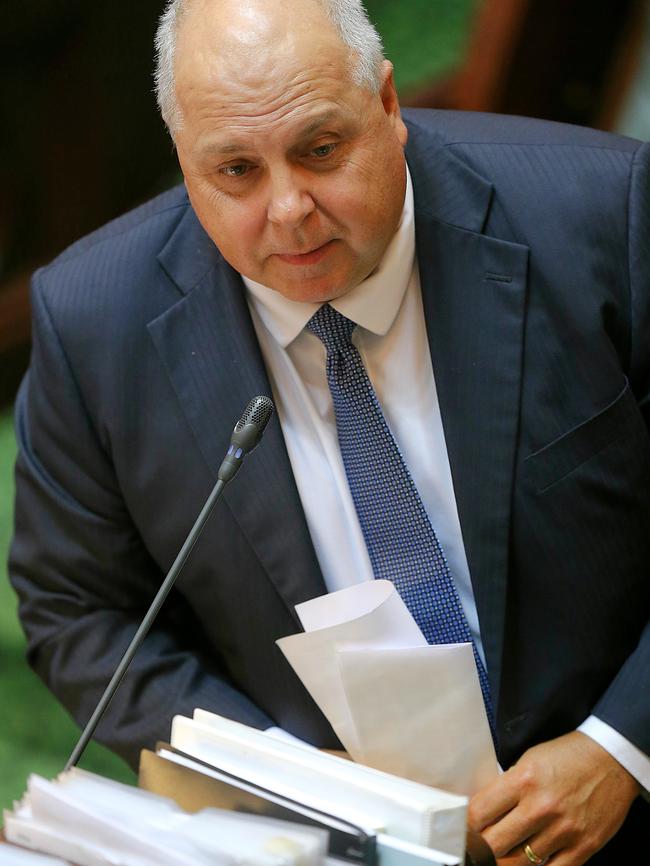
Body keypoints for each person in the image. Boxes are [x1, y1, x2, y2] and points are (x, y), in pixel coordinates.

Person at [8, 0, 649, 863]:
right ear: (184, 162)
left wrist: (621, 745)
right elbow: (79, 612)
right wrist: (300, 785)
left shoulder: (606, 214)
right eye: (234, 170)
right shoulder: (95, 322)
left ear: (387, 106)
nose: (289, 211)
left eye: (320, 150)